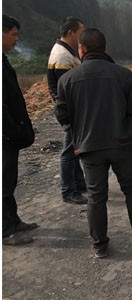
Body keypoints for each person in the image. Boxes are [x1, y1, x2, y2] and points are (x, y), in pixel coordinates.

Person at [55, 28, 132, 258]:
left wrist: (78, 136)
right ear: (105, 48)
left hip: (90, 147)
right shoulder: (123, 74)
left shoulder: (67, 80)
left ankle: (99, 245)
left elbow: (62, 116)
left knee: (96, 196)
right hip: (124, 144)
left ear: (81, 49)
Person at [3, 15, 38, 246]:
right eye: (13, 34)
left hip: (9, 135)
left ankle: (13, 220)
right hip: (4, 135)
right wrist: (11, 130)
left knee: (9, 179)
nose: (16, 39)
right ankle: (5, 231)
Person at [47, 17, 87, 204]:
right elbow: (65, 89)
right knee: (69, 151)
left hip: (72, 108)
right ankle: (68, 190)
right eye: (80, 32)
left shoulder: (66, 52)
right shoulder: (62, 56)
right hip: (70, 110)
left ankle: (79, 184)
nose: (82, 36)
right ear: (71, 32)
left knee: (75, 149)